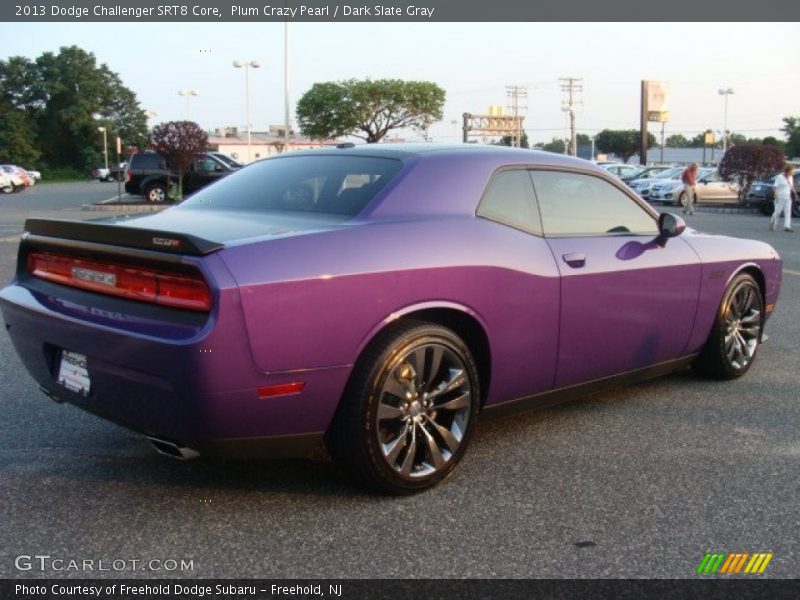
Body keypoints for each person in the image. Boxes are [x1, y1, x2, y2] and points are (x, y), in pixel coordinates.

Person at [770, 164, 795, 232]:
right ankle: (773, 222)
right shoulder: (779, 177)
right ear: (788, 170)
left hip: (787, 197)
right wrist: (776, 195)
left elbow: (791, 187)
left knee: (788, 212)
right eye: (792, 170)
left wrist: (796, 194)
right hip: (780, 197)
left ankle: (787, 226)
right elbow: (774, 187)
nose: (793, 172)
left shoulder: (790, 177)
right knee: (777, 212)